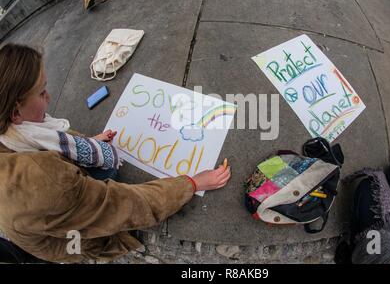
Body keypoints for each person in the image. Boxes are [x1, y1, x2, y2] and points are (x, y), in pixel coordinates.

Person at [0, 44, 232, 263]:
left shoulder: (17, 132)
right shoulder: (45, 182)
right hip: (72, 241)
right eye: (41, 93)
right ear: (15, 113)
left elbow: (58, 140)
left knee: (105, 161)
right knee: (110, 178)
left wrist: (88, 144)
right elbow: (125, 206)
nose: (49, 98)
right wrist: (191, 183)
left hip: (38, 216)